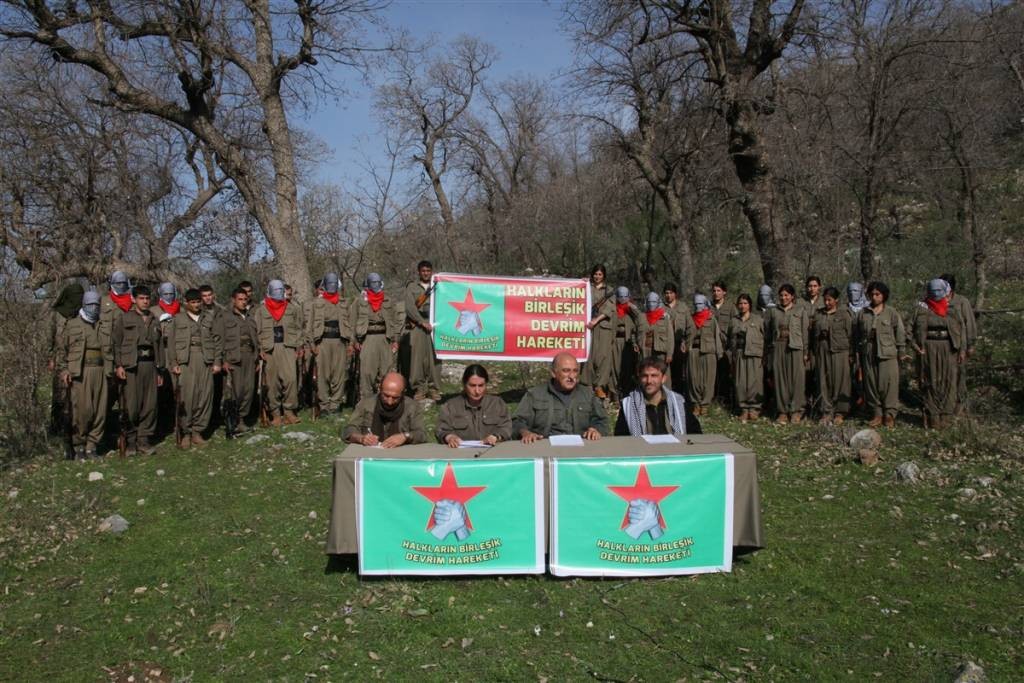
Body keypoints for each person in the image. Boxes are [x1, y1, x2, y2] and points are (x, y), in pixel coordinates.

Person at [57, 291, 111, 459]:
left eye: (96, 304)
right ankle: (78, 445)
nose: (93, 308)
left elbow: (112, 348)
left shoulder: (104, 325)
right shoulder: (72, 325)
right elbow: (61, 351)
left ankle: (92, 446)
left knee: (100, 411)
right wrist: (64, 369)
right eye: (90, 304)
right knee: (82, 411)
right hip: (80, 373)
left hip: (101, 371)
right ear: (83, 305)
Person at [112, 285, 163, 454]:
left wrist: (160, 370)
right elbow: (116, 343)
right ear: (133, 299)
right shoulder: (124, 318)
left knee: (150, 405)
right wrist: (119, 365)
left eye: (147, 298)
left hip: (150, 365)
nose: (145, 301)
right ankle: (131, 440)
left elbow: (159, 346)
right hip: (131, 366)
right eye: (141, 298)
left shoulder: (154, 319)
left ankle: (143, 439)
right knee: (131, 405)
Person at [513, 352, 608, 443]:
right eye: (566, 371)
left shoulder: (588, 395)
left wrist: (596, 430)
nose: (571, 376)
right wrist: (525, 433)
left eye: (575, 371)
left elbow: (601, 420)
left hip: (581, 446)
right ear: (554, 373)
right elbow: (517, 421)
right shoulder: (535, 394)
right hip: (544, 446)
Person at [167, 288, 222, 447]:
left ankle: (198, 431)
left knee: (205, 396)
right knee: (186, 397)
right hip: (186, 360)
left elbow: (217, 340)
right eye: (193, 302)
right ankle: (186, 432)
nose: (197, 305)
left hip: (205, 359)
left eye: (198, 302)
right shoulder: (178, 319)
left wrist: (217, 361)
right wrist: (173, 363)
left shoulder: (209, 318)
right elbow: (170, 343)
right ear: (186, 303)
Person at [912, 278, 965, 429]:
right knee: (930, 380)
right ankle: (932, 416)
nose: (935, 293)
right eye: (932, 290)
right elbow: (909, 330)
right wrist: (915, 346)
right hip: (928, 349)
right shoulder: (920, 309)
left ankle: (946, 416)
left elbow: (962, 331)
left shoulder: (953, 310)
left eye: (939, 290)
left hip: (949, 349)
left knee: (949, 381)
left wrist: (962, 350)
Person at [855, 281, 908, 428]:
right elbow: (856, 335)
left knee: (888, 384)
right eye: (871, 294)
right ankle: (876, 414)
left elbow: (900, 333)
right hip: (868, 352)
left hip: (887, 353)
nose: (874, 297)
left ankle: (889, 414)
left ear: (883, 295)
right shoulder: (862, 313)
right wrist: (856, 353)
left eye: (877, 294)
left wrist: (901, 351)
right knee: (871, 384)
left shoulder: (891, 313)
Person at [255, 279, 305, 426]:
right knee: (272, 383)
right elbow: (256, 331)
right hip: (269, 349)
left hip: (287, 346)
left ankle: (289, 411)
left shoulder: (292, 309)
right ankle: (275, 413)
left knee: (291, 379)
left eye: (280, 290)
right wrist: (260, 349)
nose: (278, 293)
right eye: (275, 290)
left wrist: (299, 346)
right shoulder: (261, 310)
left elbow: (299, 328)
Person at [614, 357, 701, 436]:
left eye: (654, 376)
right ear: (639, 378)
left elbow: (695, 434)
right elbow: (621, 438)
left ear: (663, 378)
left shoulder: (679, 402)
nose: (649, 381)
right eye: (645, 376)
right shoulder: (628, 405)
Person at [307, 272, 355, 414]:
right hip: (323, 342)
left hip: (340, 341)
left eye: (334, 283)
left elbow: (350, 324)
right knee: (323, 375)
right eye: (329, 283)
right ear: (325, 285)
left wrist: (351, 343)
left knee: (339, 375)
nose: (332, 286)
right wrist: (312, 345)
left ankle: (335, 405)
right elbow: (309, 326)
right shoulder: (317, 304)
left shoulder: (344, 303)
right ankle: (324, 406)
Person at [214, 287, 260, 433]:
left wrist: (257, 358)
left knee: (249, 390)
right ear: (233, 300)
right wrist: (222, 360)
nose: (243, 302)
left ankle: (242, 419)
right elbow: (218, 339)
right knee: (235, 391)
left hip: (249, 357)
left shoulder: (250, 317)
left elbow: (255, 340)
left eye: (245, 299)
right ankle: (231, 421)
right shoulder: (224, 317)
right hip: (233, 358)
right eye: (240, 299)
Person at [436, 365, 512, 447]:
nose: (477, 391)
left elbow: (506, 427)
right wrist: (450, 437)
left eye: (481, 385)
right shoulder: (451, 406)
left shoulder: (497, 404)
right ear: (464, 384)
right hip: (461, 454)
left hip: (492, 451)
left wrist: (496, 437)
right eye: (472, 386)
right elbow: (441, 430)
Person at [343, 372, 426, 447]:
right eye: (386, 396)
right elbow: (349, 430)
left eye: (395, 398)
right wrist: (361, 438)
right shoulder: (366, 404)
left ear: (403, 393)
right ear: (380, 389)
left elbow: (422, 434)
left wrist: (405, 436)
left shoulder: (412, 407)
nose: (390, 402)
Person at [768, 283, 809, 424]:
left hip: (796, 347)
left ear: (792, 296)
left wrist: (805, 351)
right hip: (779, 346)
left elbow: (805, 332)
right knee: (780, 380)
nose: (783, 298)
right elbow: (769, 333)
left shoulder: (800, 311)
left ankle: (797, 411)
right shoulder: (774, 312)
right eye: (781, 295)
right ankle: (783, 411)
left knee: (797, 380)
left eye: (786, 295)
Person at [354, 272, 400, 399]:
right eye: (373, 282)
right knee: (367, 372)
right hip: (367, 338)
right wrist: (354, 341)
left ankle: (385, 400)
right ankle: (366, 401)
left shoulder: (388, 300)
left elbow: (394, 320)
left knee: (387, 370)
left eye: (377, 282)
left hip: (385, 338)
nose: (375, 285)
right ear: (368, 284)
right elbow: (353, 320)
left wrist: (395, 340)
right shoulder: (359, 301)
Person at [813, 287, 854, 425]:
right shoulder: (819, 314)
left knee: (840, 381)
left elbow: (851, 335)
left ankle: (840, 412)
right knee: (823, 382)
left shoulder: (844, 314)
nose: (827, 302)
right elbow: (813, 334)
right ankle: (826, 411)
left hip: (840, 351)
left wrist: (852, 354)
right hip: (822, 350)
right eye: (825, 299)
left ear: (836, 300)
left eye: (830, 300)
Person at [403, 260, 443, 400]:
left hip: (435, 325)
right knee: (417, 358)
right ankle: (418, 388)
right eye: (423, 271)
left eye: (428, 270)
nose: (426, 273)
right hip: (418, 325)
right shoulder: (412, 287)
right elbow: (409, 307)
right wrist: (421, 321)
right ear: (419, 272)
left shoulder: (439, 285)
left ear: (431, 271)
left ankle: (434, 388)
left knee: (435, 357)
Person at [681, 293, 725, 415]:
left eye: (700, 303)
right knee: (693, 379)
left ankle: (705, 405)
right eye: (695, 303)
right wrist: (683, 344)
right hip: (693, 351)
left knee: (708, 380)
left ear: (705, 304)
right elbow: (685, 335)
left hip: (709, 352)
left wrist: (719, 353)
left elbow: (717, 336)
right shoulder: (690, 319)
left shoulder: (711, 319)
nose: (697, 306)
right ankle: (695, 404)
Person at [941, 273, 976, 415]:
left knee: (959, 375)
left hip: (959, 345)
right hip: (942, 345)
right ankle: (945, 404)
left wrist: (970, 344)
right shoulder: (935, 301)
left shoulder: (961, 302)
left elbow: (970, 323)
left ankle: (960, 406)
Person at [727, 294, 765, 422]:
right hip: (739, 354)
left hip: (754, 354)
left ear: (750, 305)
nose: (742, 306)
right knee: (740, 382)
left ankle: (754, 409)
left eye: (745, 303)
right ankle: (743, 409)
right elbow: (729, 339)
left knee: (754, 383)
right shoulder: (734, 321)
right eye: (740, 303)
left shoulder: (758, 319)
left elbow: (765, 337)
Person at [583, 264, 616, 399]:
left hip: (603, 327)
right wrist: (581, 283)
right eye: (595, 274)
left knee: (603, 357)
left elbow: (610, 308)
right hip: (587, 327)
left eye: (600, 274)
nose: (597, 277)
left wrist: (596, 320)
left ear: (604, 276)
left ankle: (600, 386)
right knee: (588, 356)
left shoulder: (609, 290)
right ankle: (586, 385)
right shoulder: (587, 287)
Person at [610, 286, 642, 397]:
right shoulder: (612, 308)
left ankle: (627, 392)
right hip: (614, 342)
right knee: (614, 367)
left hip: (628, 342)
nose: (623, 299)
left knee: (627, 367)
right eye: (620, 296)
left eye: (625, 296)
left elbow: (640, 317)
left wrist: (631, 306)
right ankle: (614, 393)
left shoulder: (632, 310)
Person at [638, 292, 675, 387]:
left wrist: (669, 354)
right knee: (647, 373)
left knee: (662, 374)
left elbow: (670, 337)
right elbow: (635, 332)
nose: (651, 304)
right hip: (646, 351)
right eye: (649, 301)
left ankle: (665, 397)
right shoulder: (641, 317)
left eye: (654, 301)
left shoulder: (665, 317)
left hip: (660, 352)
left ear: (658, 302)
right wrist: (635, 343)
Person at [710, 281, 735, 402]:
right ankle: (713, 397)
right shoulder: (708, 306)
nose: (716, 293)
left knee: (725, 372)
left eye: (718, 290)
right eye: (714, 291)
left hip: (725, 345)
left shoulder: (731, 307)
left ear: (724, 292)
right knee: (712, 373)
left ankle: (725, 398)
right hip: (711, 345)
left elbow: (734, 326)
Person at [662, 282, 688, 390]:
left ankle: (679, 395)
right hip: (666, 344)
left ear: (675, 294)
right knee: (666, 371)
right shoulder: (661, 308)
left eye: (671, 293)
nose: (668, 295)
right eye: (666, 293)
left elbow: (689, 325)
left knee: (679, 371)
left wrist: (685, 341)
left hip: (679, 343)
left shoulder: (683, 307)